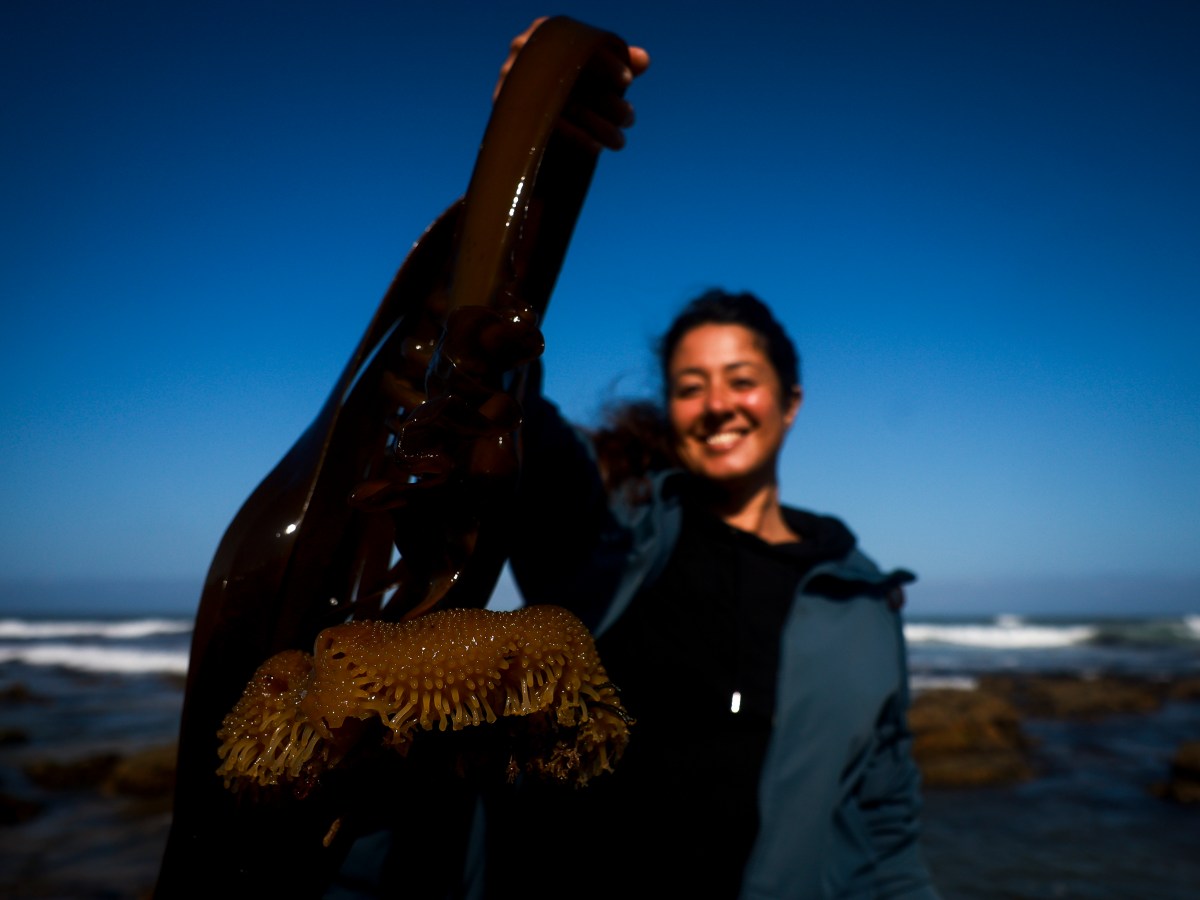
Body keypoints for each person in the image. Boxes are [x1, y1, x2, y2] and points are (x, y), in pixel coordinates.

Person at [467, 22, 941, 900]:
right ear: (671, 410)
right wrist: (525, 157)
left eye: (741, 380)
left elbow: (884, 832)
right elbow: (500, 383)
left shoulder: (863, 603)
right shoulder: (605, 551)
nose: (717, 404)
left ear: (790, 402)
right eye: (690, 385)